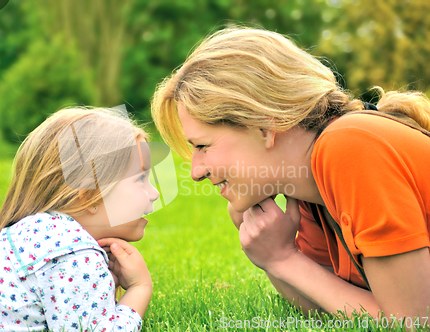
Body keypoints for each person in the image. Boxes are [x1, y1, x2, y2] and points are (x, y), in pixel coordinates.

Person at [151, 26, 430, 321]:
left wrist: (283, 258)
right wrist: (276, 257)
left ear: (263, 127)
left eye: (203, 146)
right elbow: (326, 309)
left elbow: (411, 320)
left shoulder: (349, 146)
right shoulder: (308, 189)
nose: (196, 172)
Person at [0, 107, 159, 331]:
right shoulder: (76, 255)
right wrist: (139, 289)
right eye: (140, 179)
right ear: (89, 194)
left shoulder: (39, 229)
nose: (155, 194)